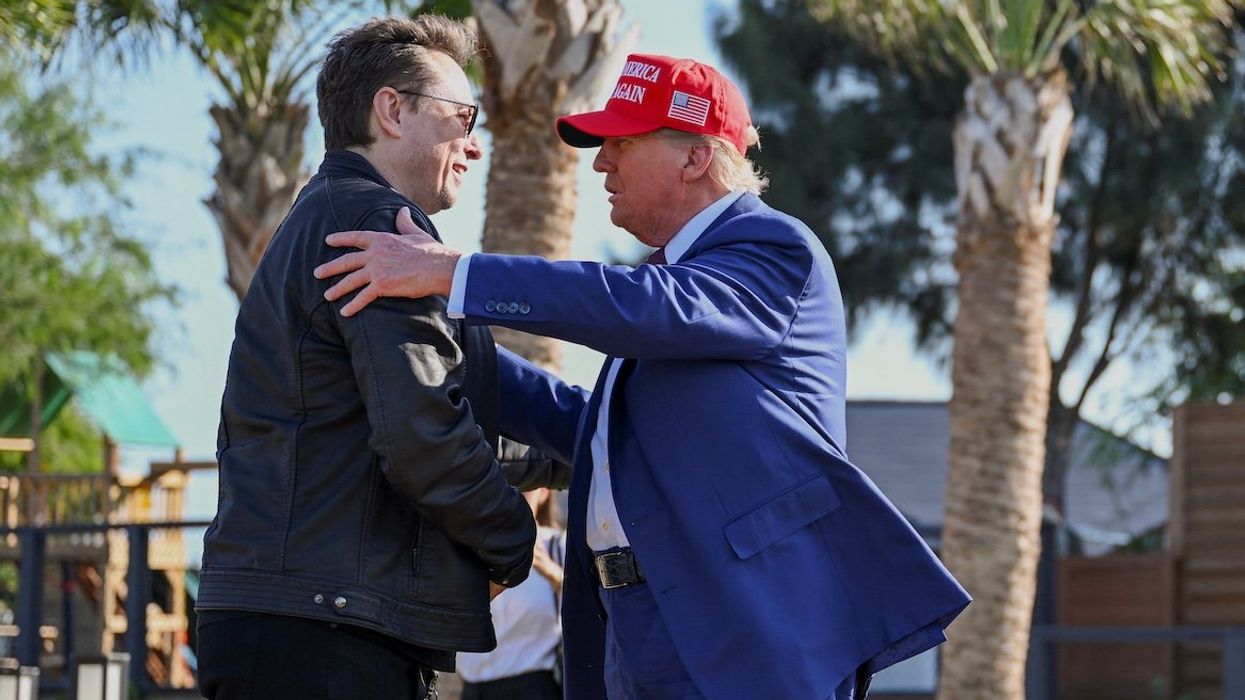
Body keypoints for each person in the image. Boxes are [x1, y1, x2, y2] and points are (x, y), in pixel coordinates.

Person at [314, 53, 971, 700]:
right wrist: (447, 337)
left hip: (742, 627)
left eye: (621, 142)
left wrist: (457, 274)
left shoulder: (773, 250)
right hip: (637, 630)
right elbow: (593, 431)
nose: (600, 161)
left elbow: (646, 308)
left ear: (693, 156)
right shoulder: (666, 290)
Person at [195, 16, 540, 700]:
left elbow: (397, 418)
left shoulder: (324, 214)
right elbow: (422, 437)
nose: (473, 146)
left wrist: (587, 452)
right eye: (461, 117)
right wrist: (512, 539)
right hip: (325, 636)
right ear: (391, 109)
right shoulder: (376, 227)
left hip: (294, 619)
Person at [457, 487, 566, 700]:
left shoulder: (558, 546)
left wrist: (554, 574)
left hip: (534, 688)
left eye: (524, 487)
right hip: (472, 690)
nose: (511, 498)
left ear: (544, 493)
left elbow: (592, 614)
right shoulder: (467, 549)